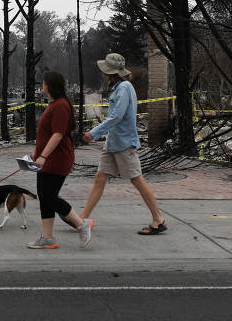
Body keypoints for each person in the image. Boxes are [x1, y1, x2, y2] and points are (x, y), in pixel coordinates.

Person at [80, 53, 167, 235]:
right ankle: (82, 220)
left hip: (124, 143)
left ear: (111, 74)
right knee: (100, 178)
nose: (103, 75)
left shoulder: (124, 88)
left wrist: (94, 133)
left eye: (105, 72)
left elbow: (116, 116)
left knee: (136, 179)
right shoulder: (118, 87)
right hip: (114, 142)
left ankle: (158, 219)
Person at [27, 70, 94, 249]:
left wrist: (43, 156)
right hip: (47, 159)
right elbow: (47, 133)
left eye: (43, 82)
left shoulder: (61, 106)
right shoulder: (54, 104)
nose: (42, 85)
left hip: (57, 159)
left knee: (49, 196)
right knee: (44, 196)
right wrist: (36, 153)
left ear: (49, 85)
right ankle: (47, 237)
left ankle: (81, 224)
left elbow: (57, 134)